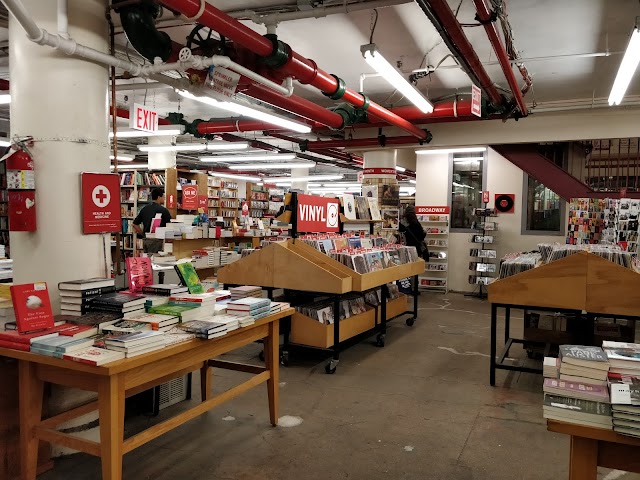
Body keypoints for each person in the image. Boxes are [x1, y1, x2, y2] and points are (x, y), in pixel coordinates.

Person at [133, 187, 172, 253]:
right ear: (159, 197)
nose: (164, 199)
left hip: (146, 239)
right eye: (163, 197)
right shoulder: (163, 210)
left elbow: (135, 224)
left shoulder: (145, 209)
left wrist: (143, 234)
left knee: (148, 259)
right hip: (157, 240)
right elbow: (169, 226)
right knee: (156, 260)